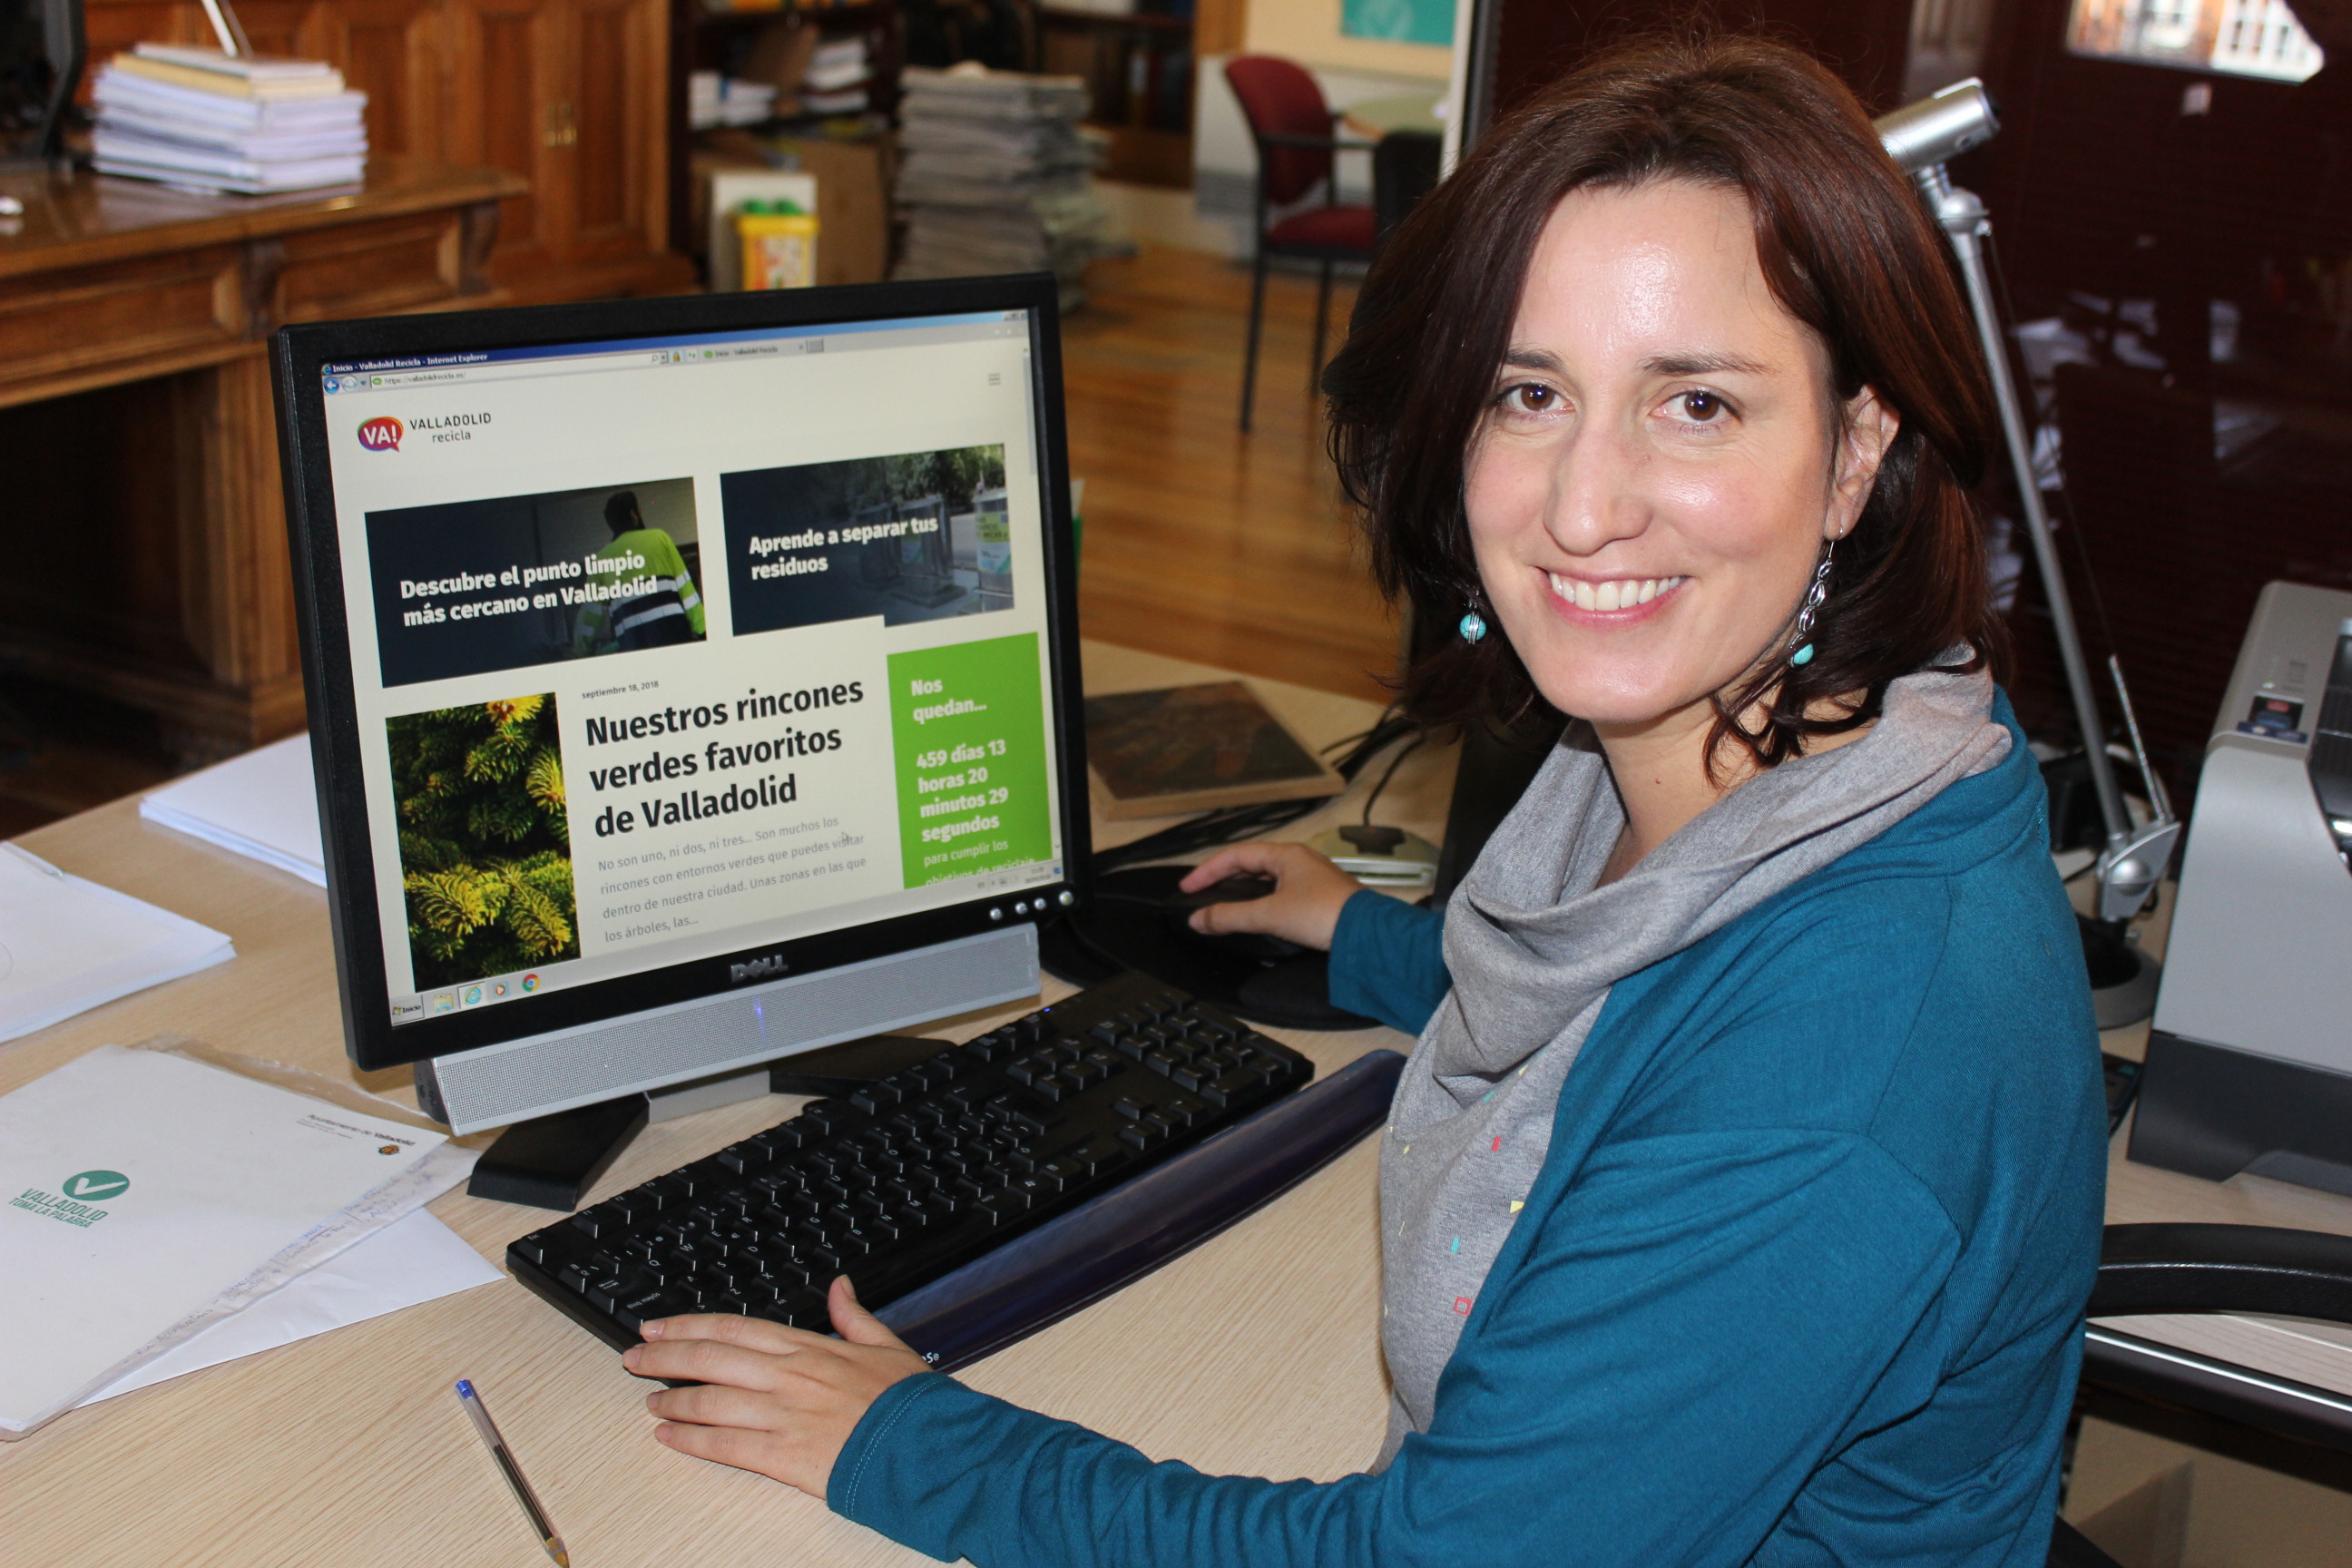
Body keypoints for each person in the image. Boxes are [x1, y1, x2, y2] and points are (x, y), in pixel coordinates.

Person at [618, 34, 2108, 1566]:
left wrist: (909, 1446)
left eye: (1698, 405)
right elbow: (1630, 993)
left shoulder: (1834, 1080)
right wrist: (1371, 940)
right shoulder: (1808, 756)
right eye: (1530, 392)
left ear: (1855, 449)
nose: (1584, 506)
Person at [572, 489, 707, 655]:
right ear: (633, 515)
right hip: (676, 641)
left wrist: (580, 651)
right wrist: (703, 630)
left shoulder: (601, 560)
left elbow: (588, 616)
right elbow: (687, 592)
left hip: (635, 650)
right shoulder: (660, 539)